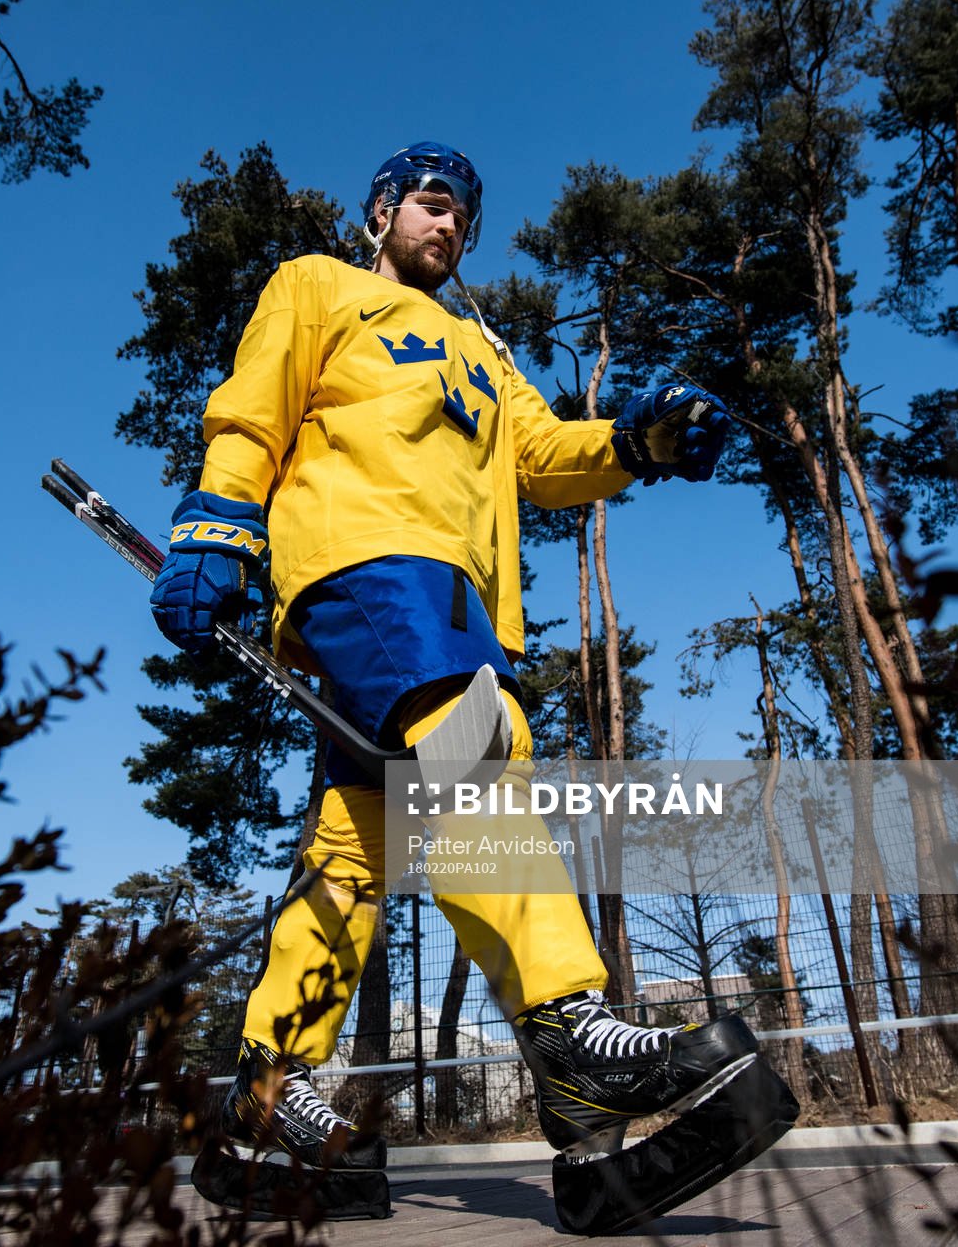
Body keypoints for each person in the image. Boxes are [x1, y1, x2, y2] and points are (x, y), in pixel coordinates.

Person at [149, 141, 747, 1201]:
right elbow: (253, 406)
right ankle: (573, 1042)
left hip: (463, 595)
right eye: (430, 205)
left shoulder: (483, 348)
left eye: (462, 216)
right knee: (474, 756)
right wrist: (218, 519)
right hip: (367, 559)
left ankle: (267, 1087)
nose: (449, 226)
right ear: (379, 212)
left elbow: (545, 457)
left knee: (360, 836)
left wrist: (637, 440)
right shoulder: (318, 286)